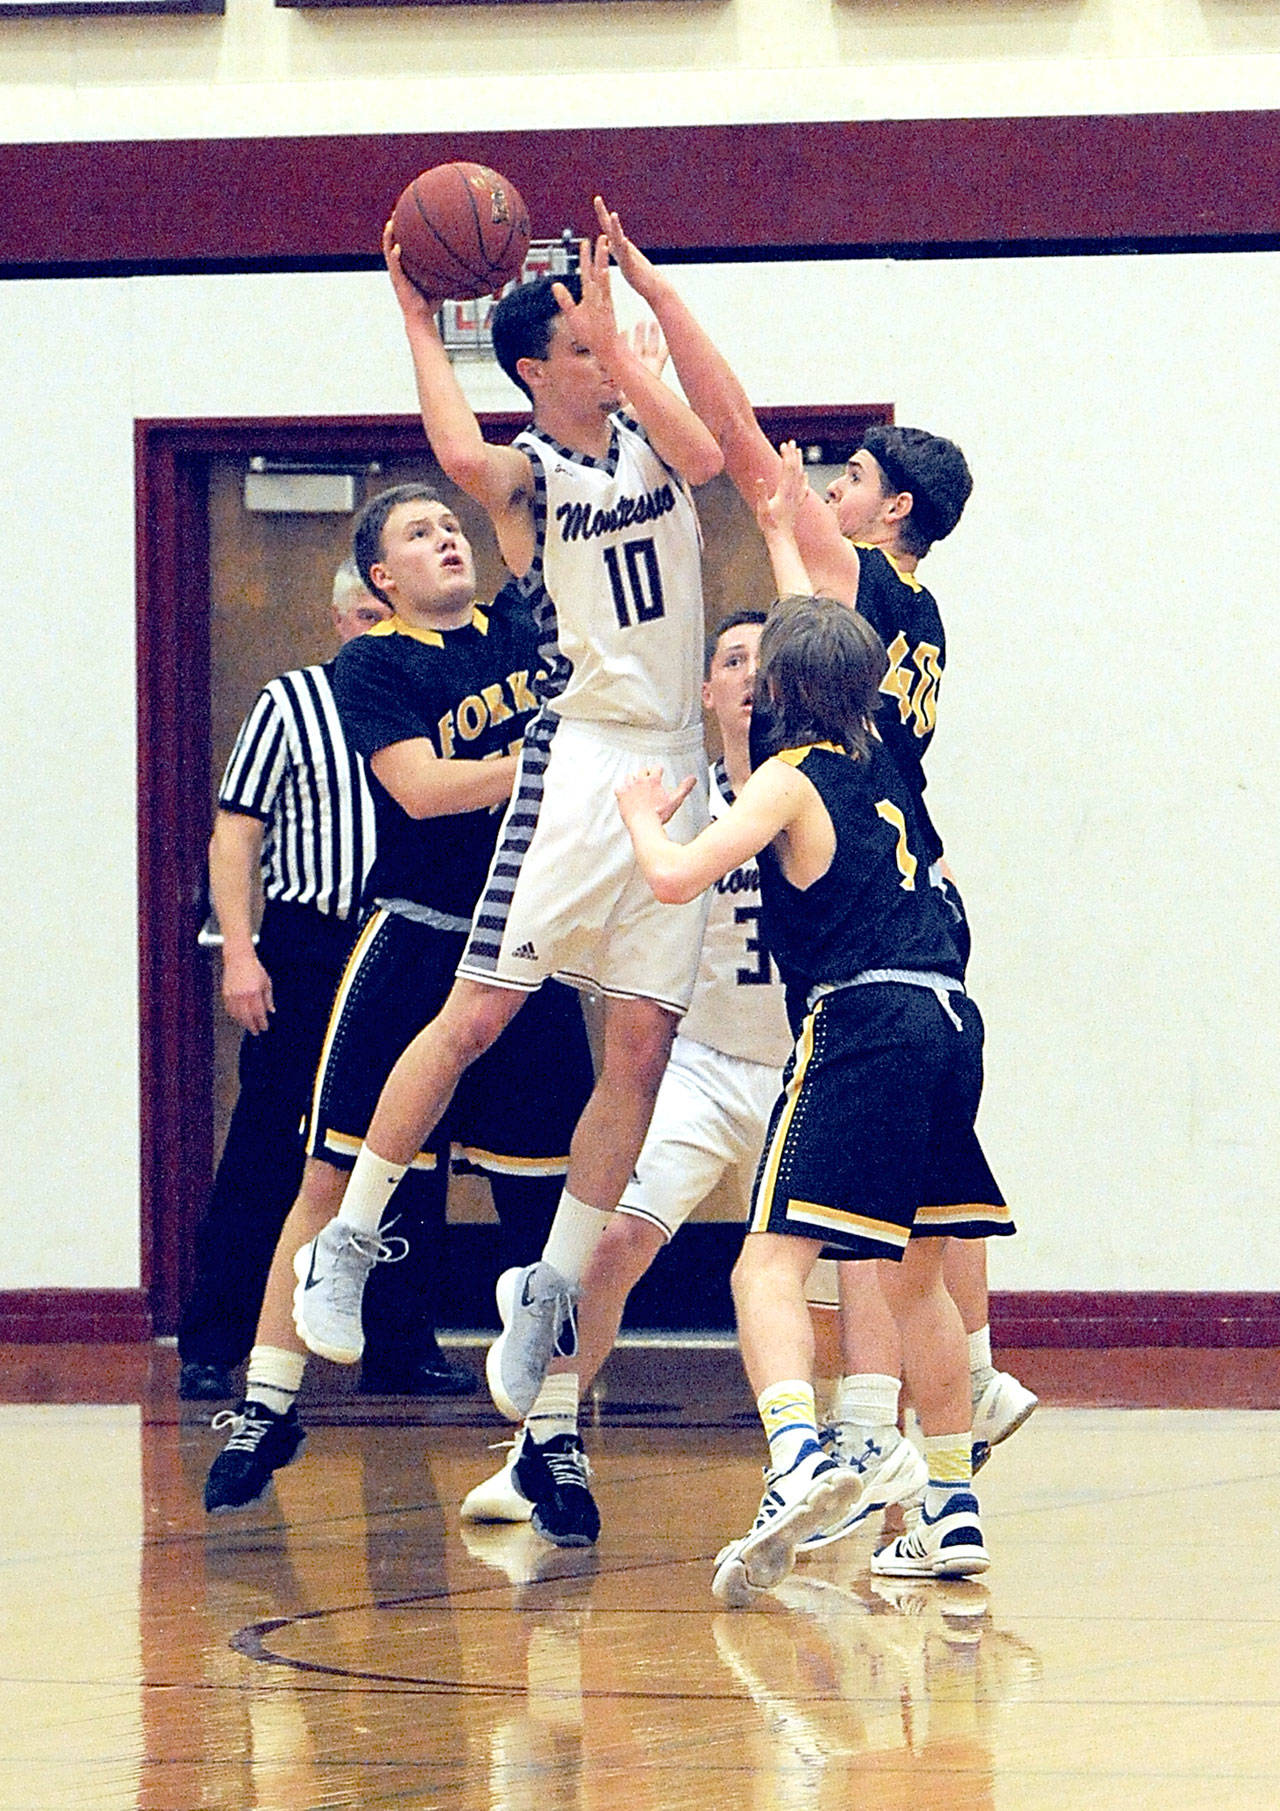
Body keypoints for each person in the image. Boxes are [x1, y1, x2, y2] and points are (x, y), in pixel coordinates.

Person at [283, 225, 724, 1539]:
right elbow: (464, 448)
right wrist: (413, 310)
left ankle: (553, 1284)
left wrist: (635, 306)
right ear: (539, 367)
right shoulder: (527, 474)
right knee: (475, 1015)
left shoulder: (661, 448)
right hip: (579, 764)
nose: (614, 354)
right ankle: (352, 1234)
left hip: (674, 763)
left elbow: (706, 443)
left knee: (636, 1051)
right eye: (585, 342)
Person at [593, 197, 1033, 1479]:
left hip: (859, 900)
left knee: (822, 1217)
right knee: (917, 1185)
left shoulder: (858, 586)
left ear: (888, 513)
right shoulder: (915, 613)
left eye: (844, 481)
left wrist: (655, 305)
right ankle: (957, 1390)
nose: (820, 490)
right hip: (921, 891)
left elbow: (733, 441)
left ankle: (852, 1437)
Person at [202, 487, 595, 1512]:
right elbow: (422, 787)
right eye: (419, 533)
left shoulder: (516, 630)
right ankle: (267, 1397)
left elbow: (531, 518)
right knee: (328, 1173)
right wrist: (539, 765)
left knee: (544, 1207)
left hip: (524, 941)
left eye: (449, 525)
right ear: (381, 578)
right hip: (414, 936)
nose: (446, 538)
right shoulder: (377, 661)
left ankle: (550, 1436)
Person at [617, 593, 1012, 1603]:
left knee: (764, 1263)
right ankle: (950, 1506)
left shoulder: (785, 780)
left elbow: (673, 878)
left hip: (861, 1018)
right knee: (918, 1272)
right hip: (951, 1019)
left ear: (779, 689)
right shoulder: (889, 769)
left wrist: (636, 820)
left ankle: (797, 1454)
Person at [177, 562, 476, 1403]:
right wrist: (241, 949)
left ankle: (400, 1342)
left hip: (414, 938)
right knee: (273, 1142)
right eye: (366, 613)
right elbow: (235, 834)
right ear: (344, 616)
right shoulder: (289, 702)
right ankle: (216, 1339)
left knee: (411, 1145)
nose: (380, 627)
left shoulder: (444, 699)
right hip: (311, 946)